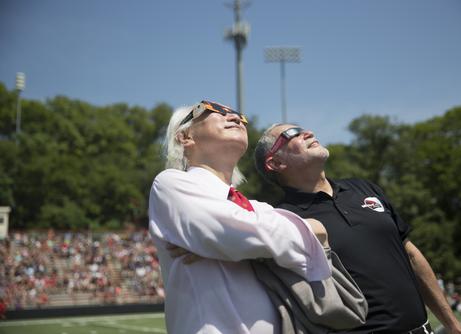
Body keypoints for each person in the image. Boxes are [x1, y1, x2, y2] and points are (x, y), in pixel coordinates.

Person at [149, 101, 364, 334]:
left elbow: (246, 234)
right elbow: (239, 234)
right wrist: (306, 229)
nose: (234, 117)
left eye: (237, 115)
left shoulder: (257, 208)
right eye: (213, 110)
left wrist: (252, 241)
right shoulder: (171, 183)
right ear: (184, 137)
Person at [254, 123, 461, 334]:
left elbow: (411, 255)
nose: (308, 132)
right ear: (275, 163)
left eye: (303, 129)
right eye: (293, 133)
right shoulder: (284, 220)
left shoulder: (362, 187)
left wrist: (451, 322)